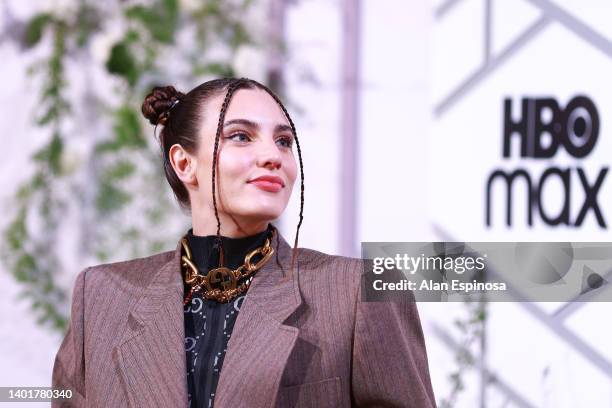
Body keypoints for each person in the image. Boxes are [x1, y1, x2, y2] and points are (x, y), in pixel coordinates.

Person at [52, 77, 437, 407]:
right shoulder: (101, 295)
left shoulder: (357, 291)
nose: (272, 155)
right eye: (240, 136)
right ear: (184, 163)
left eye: (284, 141)